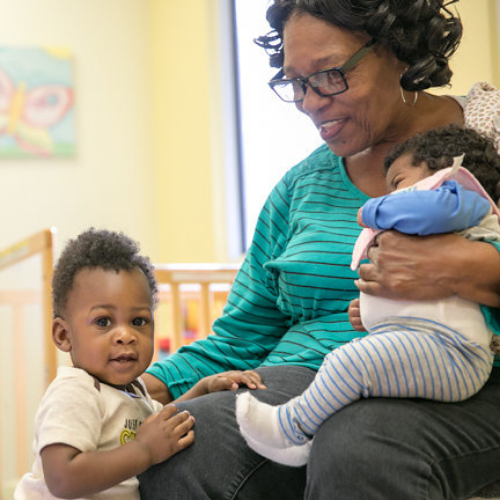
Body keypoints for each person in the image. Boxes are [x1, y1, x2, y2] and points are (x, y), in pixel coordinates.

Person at [139, 1, 500, 498]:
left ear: (398, 51)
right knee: (187, 438)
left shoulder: (490, 140)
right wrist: (130, 389)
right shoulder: (300, 186)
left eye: (329, 75)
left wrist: (468, 269)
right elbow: (239, 339)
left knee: (359, 445)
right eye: (294, 82)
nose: (309, 102)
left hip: (455, 369)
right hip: (299, 377)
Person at [235, 124, 500, 467]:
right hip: (436, 347)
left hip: (454, 354)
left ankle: (291, 427)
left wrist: (371, 210)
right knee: (352, 365)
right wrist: (371, 312)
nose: (389, 195)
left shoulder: (464, 202)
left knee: (347, 364)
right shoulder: (442, 223)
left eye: (398, 183)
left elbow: (431, 209)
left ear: (444, 172)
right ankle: (300, 444)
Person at [14, 228, 264, 500]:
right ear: (64, 335)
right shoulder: (76, 392)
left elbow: (163, 420)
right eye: (103, 322)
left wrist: (202, 391)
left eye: (138, 321)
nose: (126, 335)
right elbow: (62, 478)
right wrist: (144, 451)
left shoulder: (134, 393)